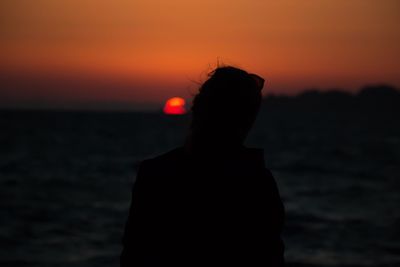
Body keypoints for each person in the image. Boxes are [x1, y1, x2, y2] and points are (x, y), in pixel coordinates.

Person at [120, 66, 285, 266]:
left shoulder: (155, 173)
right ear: (247, 120)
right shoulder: (257, 183)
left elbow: (133, 255)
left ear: (196, 109)